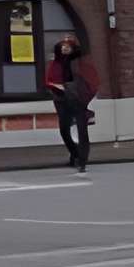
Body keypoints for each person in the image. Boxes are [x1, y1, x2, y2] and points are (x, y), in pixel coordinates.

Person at [42, 35, 96, 173]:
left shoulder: (78, 63)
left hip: (77, 100)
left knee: (82, 131)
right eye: (63, 46)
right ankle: (75, 154)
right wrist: (59, 87)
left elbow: (90, 80)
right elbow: (48, 81)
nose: (65, 48)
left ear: (73, 49)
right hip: (61, 100)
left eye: (68, 46)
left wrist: (75, 90)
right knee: (64, 130)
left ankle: (82, 162)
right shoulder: (55, 64)